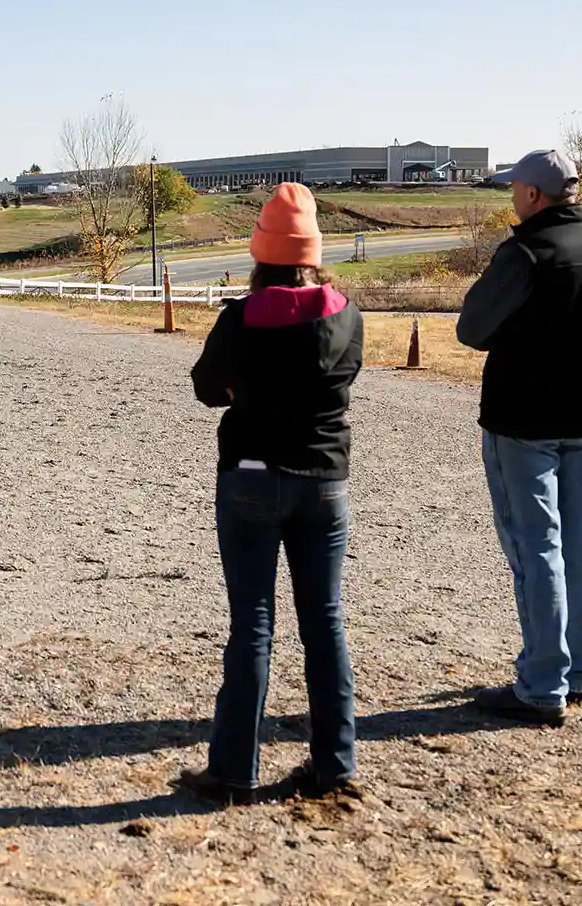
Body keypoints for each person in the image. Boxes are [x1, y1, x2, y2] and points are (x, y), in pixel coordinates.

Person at [184, 184, 363, 805]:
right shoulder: (345, 313)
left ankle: (234, 770)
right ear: (313, 252)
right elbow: (341, 381)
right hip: (324, 480)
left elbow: (207, 386)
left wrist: (249, 393)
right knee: (326, 623)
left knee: (252, 626)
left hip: (252, 477)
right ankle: (335, 764)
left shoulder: (240, 317)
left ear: (261, 252)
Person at [457, 150, 582, 725]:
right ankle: (581, 670)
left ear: (533, 194)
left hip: (522, 421)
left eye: (514, 189)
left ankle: (541, 684)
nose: (511, 196)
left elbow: (472, 327)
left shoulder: (527, 252)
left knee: (537, 550)